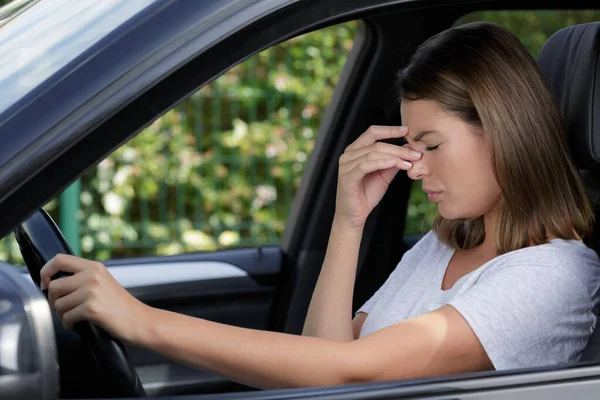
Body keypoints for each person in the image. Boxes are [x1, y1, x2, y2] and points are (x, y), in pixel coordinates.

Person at [40, 20, 600, 389]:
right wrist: (348, 219)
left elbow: (346, 374)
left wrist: (141, 321)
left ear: (503, 133)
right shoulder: (443, 245)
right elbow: (320, 365)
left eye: (431, 145)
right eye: (411, 146)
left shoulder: (553, 275)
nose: (416, 166)